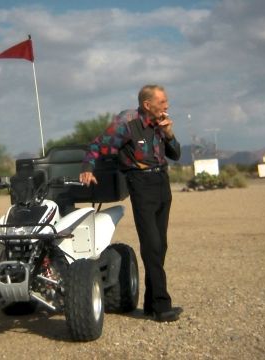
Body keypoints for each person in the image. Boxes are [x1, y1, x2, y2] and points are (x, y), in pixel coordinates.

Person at [79, 84, 183, 322]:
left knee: (161, 246)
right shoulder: (127, 122)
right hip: (141, 184)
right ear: (147, 105)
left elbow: (176, 154)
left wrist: (169, 134)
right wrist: (87, 168)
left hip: (162, 184)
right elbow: (97, 145)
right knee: (152, 245)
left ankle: (150, 303)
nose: (167, 106)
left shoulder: (161, 124)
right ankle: (162, 306)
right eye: (162, 102)